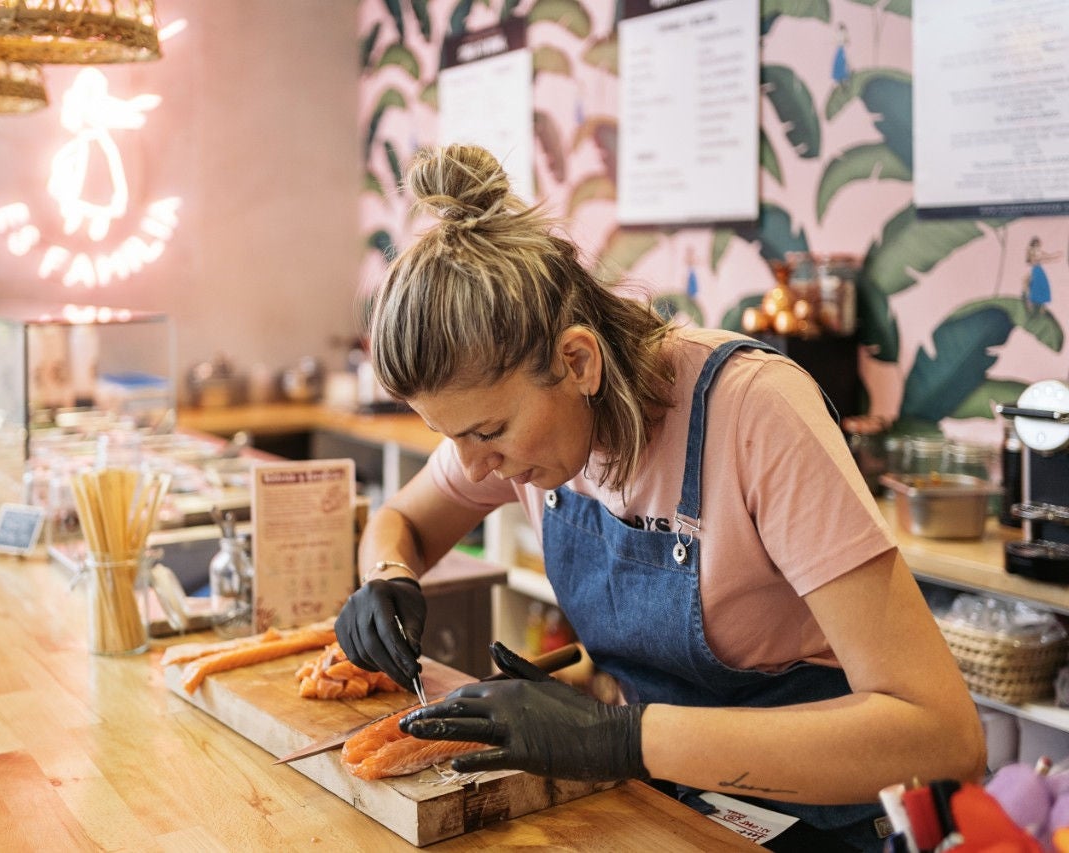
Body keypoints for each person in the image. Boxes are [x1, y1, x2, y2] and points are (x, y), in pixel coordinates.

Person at [335, 143, 986, 852]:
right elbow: (402, 522)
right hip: (664, 804)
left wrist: (620, 736)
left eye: (489, 431)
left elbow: (943, 736)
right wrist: (387, 578)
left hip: (827, 822)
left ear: (577, 361)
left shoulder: (756, 414)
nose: (475, 465)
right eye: (451, 435)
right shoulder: (521, 432)